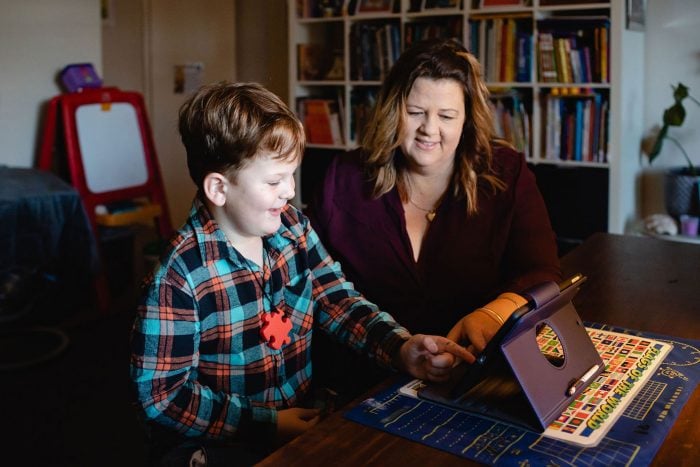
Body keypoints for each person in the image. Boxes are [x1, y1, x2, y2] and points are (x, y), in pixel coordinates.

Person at [129, 81, 473, 466]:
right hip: (223, 441)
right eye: (275, 181)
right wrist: (267, 424)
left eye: (292, 175)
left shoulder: (293, 227)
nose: (289, 192)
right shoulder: (179, 277)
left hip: (300, 415)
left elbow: (337, 299)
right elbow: (163, 397)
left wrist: (400, 347)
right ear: (218, 189)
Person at [308, 38, 561, 399]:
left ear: (467, 120)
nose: (429, 129)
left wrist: (492, 314)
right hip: (365, 383)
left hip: (472, 377)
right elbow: (310, 282)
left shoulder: (506, 174)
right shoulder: (344, 178)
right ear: (393, 111)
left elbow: (543, 273)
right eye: (415, 112)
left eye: (446, 116)